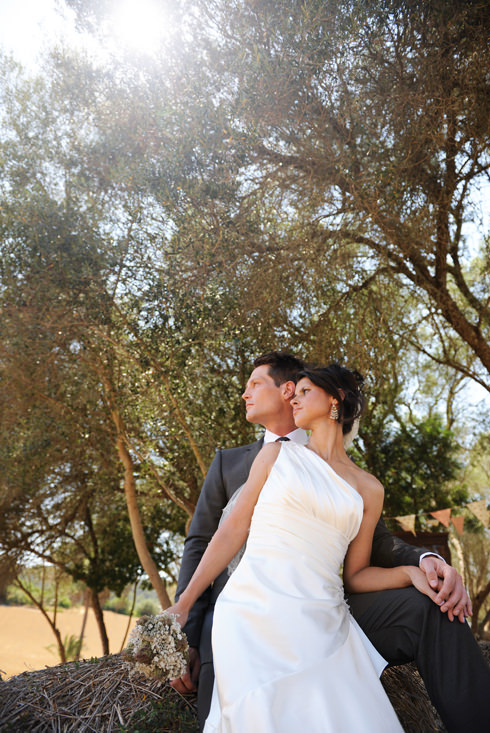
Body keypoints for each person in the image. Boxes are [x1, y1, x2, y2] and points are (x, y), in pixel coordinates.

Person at [172, 353, 490, 732]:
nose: (295, 399)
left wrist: (411, 569)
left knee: (427, 615)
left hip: (325, 607)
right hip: (253, 606)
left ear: (334, 400)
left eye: (305, 391)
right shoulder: (274, 455)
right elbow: (228, 532)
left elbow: (356, 575)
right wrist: (183, 605)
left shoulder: (368, 488)